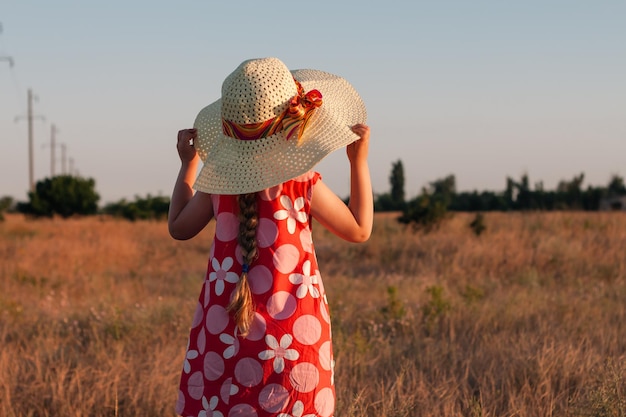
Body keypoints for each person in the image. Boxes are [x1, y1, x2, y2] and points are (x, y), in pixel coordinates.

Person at [168, 57, 372, 417]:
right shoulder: (302, 181)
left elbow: (179, 228)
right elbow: (359, 229)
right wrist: (358, 161)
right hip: (295, 334)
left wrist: (188, 164)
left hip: (224, 331)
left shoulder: (219, 184)